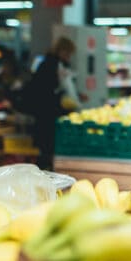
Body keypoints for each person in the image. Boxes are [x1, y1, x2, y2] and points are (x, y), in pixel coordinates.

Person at [28, 36, 86, 170]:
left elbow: (64, 88)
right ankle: (45, 174)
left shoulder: (61, 65)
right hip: (47, 114)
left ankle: (49, 170)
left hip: (54, 114)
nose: (69, 56)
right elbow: (43, 91)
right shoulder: (48, 65)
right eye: (67, 53)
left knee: (50, 149)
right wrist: (61, 99)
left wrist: (76, 96)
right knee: (47, 149)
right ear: (60, 51)